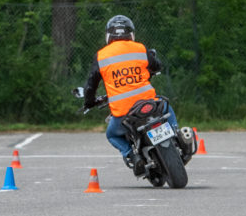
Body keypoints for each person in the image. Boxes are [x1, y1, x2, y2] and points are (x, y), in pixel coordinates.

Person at [83, 15, 193, 174]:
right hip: (150, 105)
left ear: (109, 35)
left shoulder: (101, 56)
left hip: (124, 114)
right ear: (131, 33)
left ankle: (133, 157)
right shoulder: (140, 48)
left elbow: (90, 85)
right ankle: (179, 135)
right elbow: (157, 65)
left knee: (112, 134)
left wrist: (89, 101)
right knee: (166, 108)